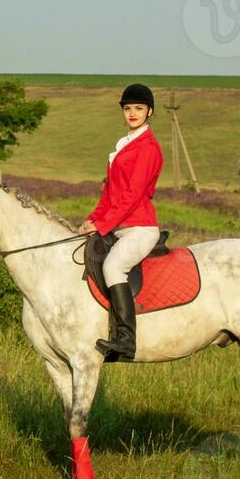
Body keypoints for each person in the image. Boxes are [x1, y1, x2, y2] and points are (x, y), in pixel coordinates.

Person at [75, 83, 165, 362]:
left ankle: (126, 340)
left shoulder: (148, 147)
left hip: (140, 228)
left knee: (113, 266)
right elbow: (110, 194)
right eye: (128, 109)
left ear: (149, 112)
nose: (133, 113)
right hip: (120, 227)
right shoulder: (124, 145)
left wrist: (102, 225)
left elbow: (131, 196)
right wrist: (93, 218)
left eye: (138, 108)